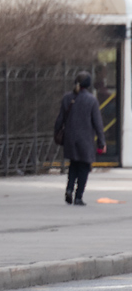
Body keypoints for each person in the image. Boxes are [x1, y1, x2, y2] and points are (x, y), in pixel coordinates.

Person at [55, 71, 106, 206]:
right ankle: (78, 196)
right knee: (84, 167)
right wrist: (101, 142)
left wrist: (57, 134)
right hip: (85, 140)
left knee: (73, 165)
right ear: (88, 84)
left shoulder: (67, 98)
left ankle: (69, 189)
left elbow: (60, 119)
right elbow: (97, 123)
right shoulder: (92, 100)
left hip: (70, 138)